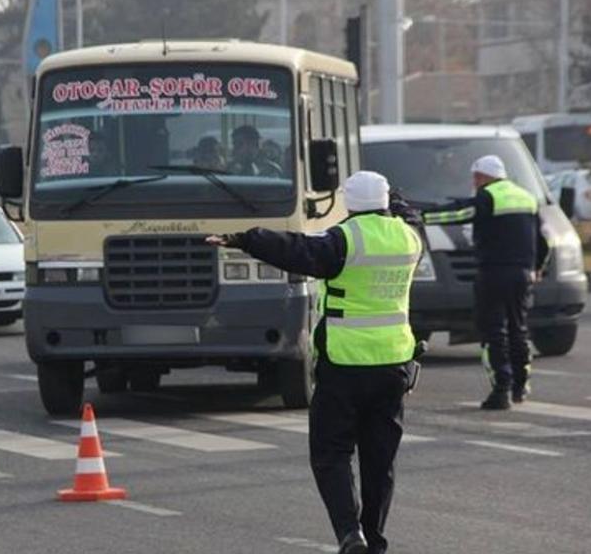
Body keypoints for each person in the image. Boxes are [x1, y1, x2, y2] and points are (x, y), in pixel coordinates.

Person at [207, 171, 425, 554]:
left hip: (345, 364)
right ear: (386, 201)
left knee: (331, 454)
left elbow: (295, 248)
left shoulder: (344, 240)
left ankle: (348, 533)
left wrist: (244, 239)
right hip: (394, 364)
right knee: (380, 462)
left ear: (348, 203)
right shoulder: (410, 238)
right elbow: (410, 214)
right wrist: (398, 200)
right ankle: (373, 539)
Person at [419, 155, 549, 409]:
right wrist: (538, 268)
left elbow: (458, 213)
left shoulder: (487, 196)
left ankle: (501, 390)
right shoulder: (526, 197)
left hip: (493, 274)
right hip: (522, 274)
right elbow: (544, 240)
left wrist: (420, 217)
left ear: (480, 176)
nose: (474, 183)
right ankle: (521, 386)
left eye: (475, 178)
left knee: (493, 331)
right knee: (518, 329)